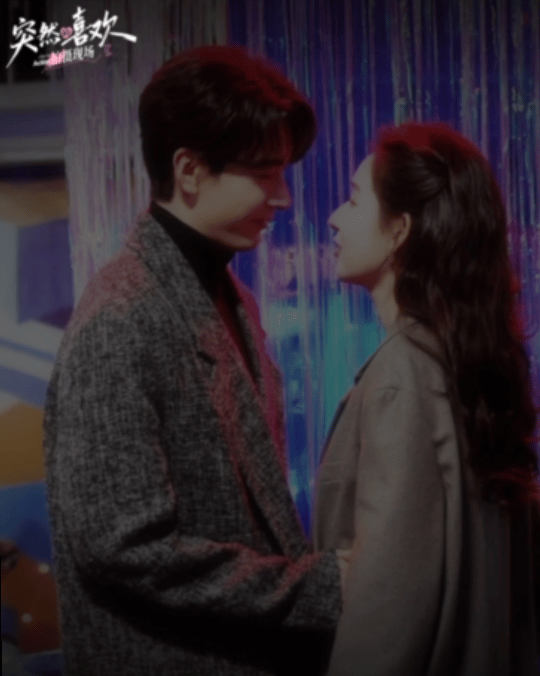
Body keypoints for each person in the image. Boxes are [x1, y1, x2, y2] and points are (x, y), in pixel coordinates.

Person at [43, 45, 346, 676]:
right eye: (264, 174)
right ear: (189, 170)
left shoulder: (228, 293)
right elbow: (123, 545)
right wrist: (317, 587)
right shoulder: (123, 315)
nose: (284, 198)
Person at [313, 121, 540, 675]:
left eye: (354, 200)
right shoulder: (459, 360)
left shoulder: (404, 377)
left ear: (399, 231)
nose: (334, 217)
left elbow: (387, 608)